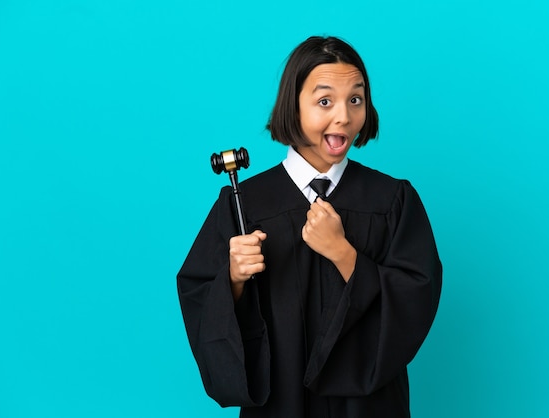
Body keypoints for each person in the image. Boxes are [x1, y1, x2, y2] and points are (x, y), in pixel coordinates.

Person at [177, 36, 442, 418]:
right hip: (281, 401)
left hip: (367, 406)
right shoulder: (246, 204)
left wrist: (344, 253)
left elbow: (416, 296)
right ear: (293, 105)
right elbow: (200, 294)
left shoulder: (391, 200)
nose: (344, 117)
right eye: (324, 101)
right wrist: (233, 279)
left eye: (356, 99)